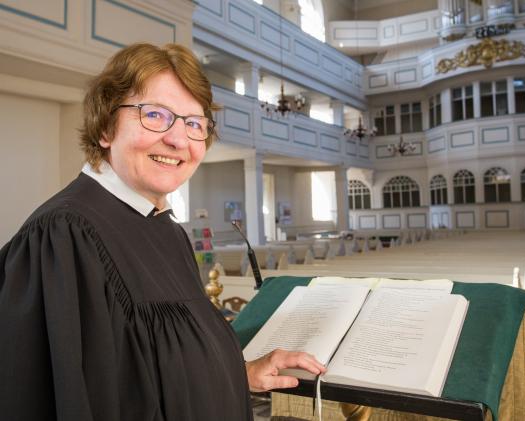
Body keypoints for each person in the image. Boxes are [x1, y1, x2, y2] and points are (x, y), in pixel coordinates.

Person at [0, 43, 325, 420]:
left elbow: (154, 373)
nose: (178, 140)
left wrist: (241, 372)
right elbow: (73, 400)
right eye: (155, 115)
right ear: (106, 128)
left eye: (194, 123)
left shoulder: (166, 230)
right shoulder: (64, 236)